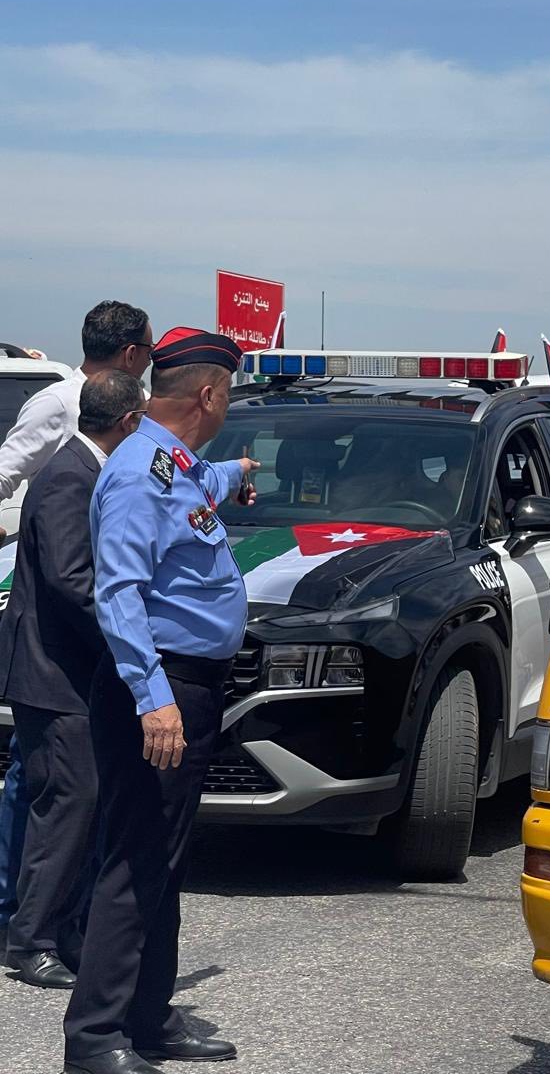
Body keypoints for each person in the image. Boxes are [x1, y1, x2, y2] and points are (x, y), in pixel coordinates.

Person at [63, 328, 258, 1074]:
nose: (227, 408)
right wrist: (154, 699)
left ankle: (149, 1017)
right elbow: (117, 591)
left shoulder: (172, 460)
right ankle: (95, 1037)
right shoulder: (141, 473)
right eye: (227, 395)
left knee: (164, 859)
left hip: (189, 684)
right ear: (209, 395)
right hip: (159, 687)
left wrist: (238, 471)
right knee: (134, 858)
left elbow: (201, 485)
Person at [0, 300, 152, 957]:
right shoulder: (70, 477)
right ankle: (30, 940)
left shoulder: (89, 469)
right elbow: (70, 580)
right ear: (127, 421)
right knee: (66, 800)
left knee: (72, 798)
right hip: (52, 670)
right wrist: (132, 639)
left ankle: (58, 928)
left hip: (67, 672)